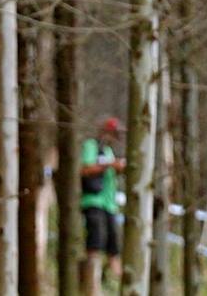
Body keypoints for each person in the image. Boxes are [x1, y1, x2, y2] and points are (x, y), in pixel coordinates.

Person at [80, 116, 124, 295]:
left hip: (109, 205)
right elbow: (86, 169)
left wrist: (118, 167)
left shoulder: (109, 152)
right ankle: (92, 286)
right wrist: (108, 165)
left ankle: (115, 282)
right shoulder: (91, 146)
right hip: (93, 202)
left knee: (113, 245)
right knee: (95, 243)